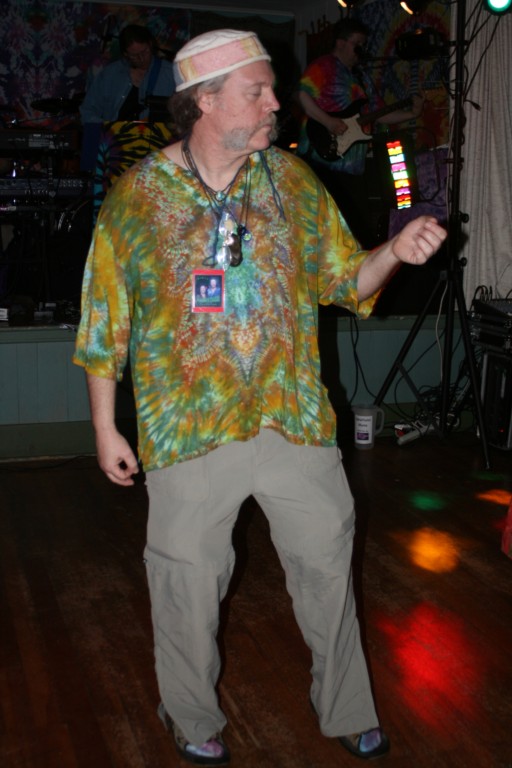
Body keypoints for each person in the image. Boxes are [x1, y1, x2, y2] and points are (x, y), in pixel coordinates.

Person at [73, 28, 447, 766]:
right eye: (259, 91)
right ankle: (190, 715)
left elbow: (345, 279)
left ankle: (346, 708)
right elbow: (103, 319)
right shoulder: (136, 198)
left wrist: (393, 254)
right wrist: (105, 427)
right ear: (205, 102)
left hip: (292, 417)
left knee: (327, 568)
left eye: (273, 89)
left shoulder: (293, 181)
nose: (278, 103)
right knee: (187, 584)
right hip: (188, 426)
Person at [296, 18, 424, 248]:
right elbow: (302, 95)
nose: (361, 50)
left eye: (363, 44)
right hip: (323, 163)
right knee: (320, 230)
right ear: (341, 43)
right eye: (357, 44)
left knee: (354, 231)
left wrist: (411, 114)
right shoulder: (324, 66)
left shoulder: (359, 78)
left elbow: (378, 114)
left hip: (353, 168)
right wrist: (328, 122)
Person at [79, 24, 176, 171]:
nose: (141, 58)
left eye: (144, 52)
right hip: (115, 153)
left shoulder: (170, 74)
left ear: (150, 44)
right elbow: (88, 110)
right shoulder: (110, 74)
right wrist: (108, 130)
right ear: (125, 54)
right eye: (134, 55)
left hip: (155, 155)